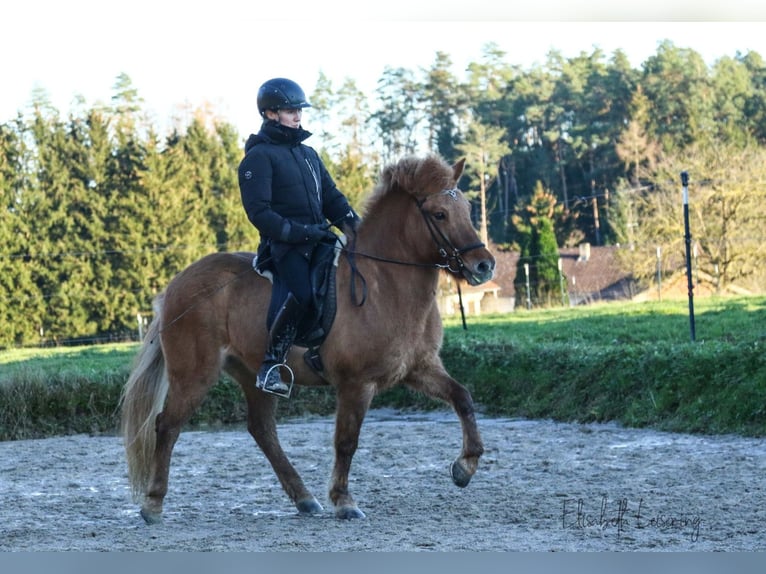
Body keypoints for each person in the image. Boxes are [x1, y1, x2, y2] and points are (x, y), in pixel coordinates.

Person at [238, 77, 361, 397]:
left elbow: (332, 198)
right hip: (284, 247)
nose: (298, 116)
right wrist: (297, 232)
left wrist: (353, 224)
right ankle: (271, 365)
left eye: (298, 110)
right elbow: (259, 213)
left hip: (318, 239)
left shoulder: (309, 155)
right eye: (290, 110)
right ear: (270, 113)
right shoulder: (258, 157)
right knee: (303, 293)